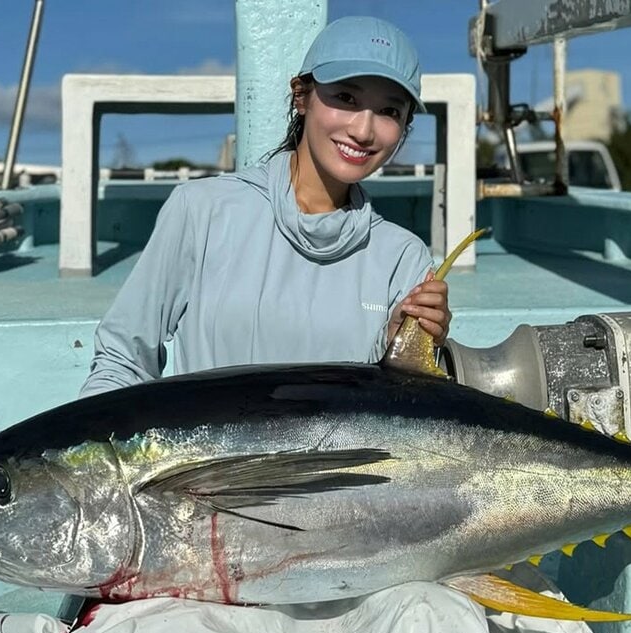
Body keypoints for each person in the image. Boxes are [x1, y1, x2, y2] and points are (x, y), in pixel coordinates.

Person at [80, 16, 451, 398]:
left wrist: (402, 348)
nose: (363, 130)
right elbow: (123, 361)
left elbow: (398, 415)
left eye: (390, 112)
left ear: (405, 127)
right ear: (301, 96)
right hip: (211, 461)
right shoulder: (201, 210)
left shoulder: (403, 257)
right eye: (345, 98)